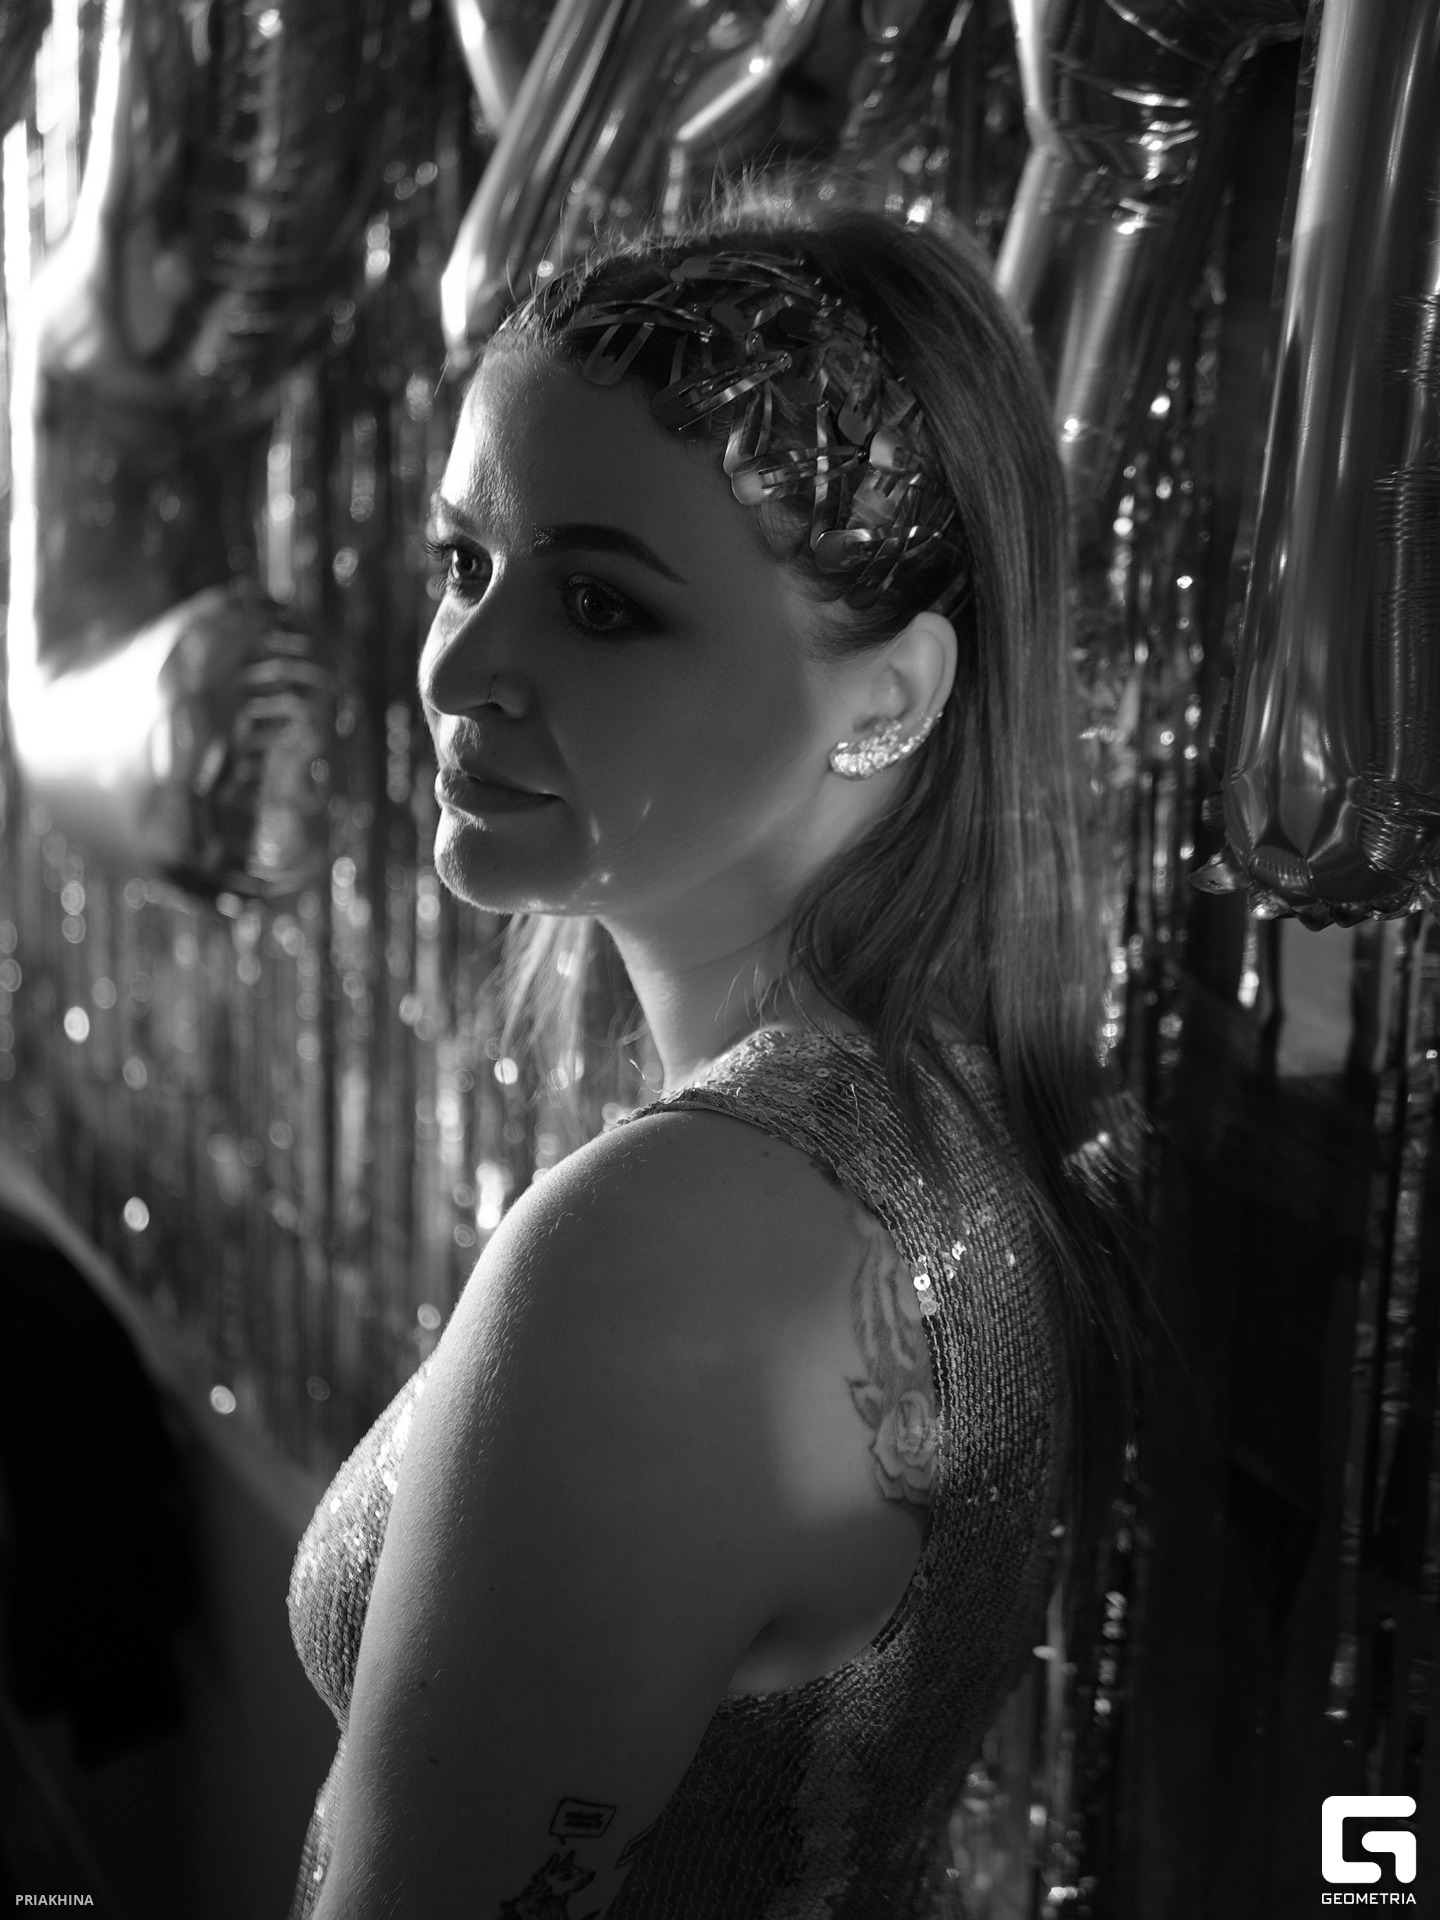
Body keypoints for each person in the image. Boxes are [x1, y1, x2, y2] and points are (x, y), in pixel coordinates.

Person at [285, 193, 1137, 1919]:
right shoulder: (943, 1121)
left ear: (887, 699)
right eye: (464, 562)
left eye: (602, 605)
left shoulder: (664, 1259)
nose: (461, 667)